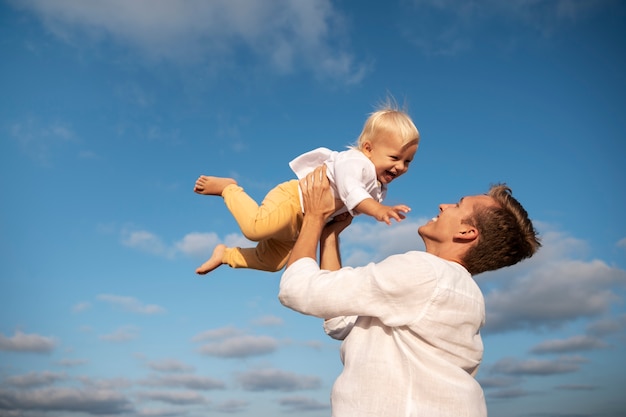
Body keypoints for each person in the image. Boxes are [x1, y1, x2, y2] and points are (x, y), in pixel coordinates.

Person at [278, 165, 541, 417]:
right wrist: (329, 236)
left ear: (466, 232)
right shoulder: (463, 293)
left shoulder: (423, 273)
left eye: (458, 205)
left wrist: (313, 216)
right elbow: (341, 319)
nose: (444, 206)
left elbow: (296, 289)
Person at [192, 104, 419, 274]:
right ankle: (229, 189)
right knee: (255, 229)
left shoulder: (379, 188)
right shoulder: (356, 162)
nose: (400, 167)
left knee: (272, 262)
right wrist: (378, 210)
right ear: (368, 148)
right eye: (395, 158)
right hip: (292, 202)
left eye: (407, 162)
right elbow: (352, 190)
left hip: (303, 224)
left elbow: (347, 207)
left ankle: (226, 255)